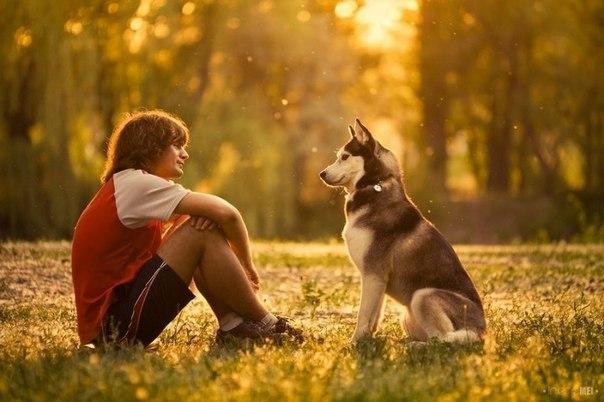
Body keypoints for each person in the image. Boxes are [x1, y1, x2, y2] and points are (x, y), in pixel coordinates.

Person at [71, 110, 302, 347]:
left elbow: (211, 216)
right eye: (176, 145)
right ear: (150, 147)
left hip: (116, 324)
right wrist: (247, 266)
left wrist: (201, 219)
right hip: (114, 330)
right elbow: (228, 214)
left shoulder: (129, 185)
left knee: (200, 223)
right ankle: (267, 324)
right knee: (200, 228)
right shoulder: (135, 184)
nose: (185, 153)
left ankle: (233, 326)